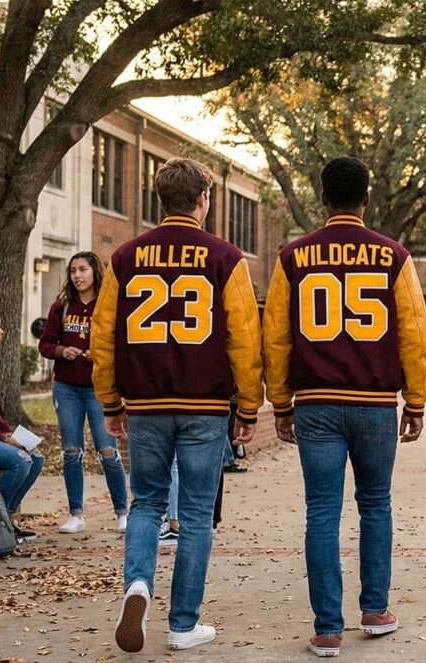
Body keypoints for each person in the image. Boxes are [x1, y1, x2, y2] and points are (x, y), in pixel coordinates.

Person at [263, 156, 426, 658]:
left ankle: (327, 628)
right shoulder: (393, 256)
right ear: (366, 197)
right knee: (375, 504)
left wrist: (280, 403)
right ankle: (375, 610)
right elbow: (415, 334)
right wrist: (417, 399)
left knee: (322, 510)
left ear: (322, 197)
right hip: (375, 401)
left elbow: (276, 336)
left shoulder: (293, 257)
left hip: (315, 401)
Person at [92, 158, 263, 653]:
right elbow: (243, 341)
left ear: (158, 198)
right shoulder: (225, 258)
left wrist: (109, 401)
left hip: (145, 402)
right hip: (204, 404)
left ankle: (138, 585)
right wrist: (248, 406)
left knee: (146, 502)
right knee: (194, 512)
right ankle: (183, 623)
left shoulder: (124, 257)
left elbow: (105, 337)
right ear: (203, 200)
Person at [38, 251, 129, 534]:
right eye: (73, 270)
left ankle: (122, 511)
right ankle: (76, 514)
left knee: (107, 451)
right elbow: (45, 344)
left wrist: (99, 355)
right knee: (71, 451)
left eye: (83, 270)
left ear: (95, 273)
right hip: (67, 389)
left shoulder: (109, 304)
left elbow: (122, 343)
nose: (77, 275)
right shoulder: (62, 306)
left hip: (99, 389)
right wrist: (63, 350)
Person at [0, 308, 43, 543]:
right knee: (20, 461)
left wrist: (7, 430)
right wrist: (2, 437)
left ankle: (7, 519)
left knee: (36, 457)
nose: (2, 331)